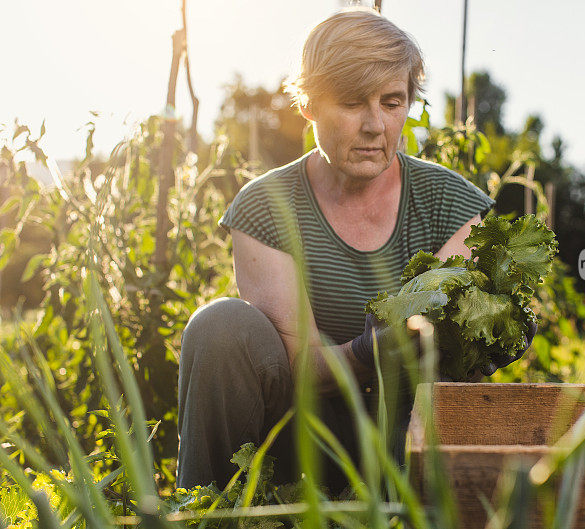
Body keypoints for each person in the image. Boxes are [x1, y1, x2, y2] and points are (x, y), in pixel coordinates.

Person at [176, 7, 526, 491]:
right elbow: (300, 367)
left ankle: (421, 511)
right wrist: (369, 350)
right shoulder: (266, 206)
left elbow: (446, 353)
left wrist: (483, 339)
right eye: (351, 103)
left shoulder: (453, 205)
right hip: (297, 437)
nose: (375, 125)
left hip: (403, 431)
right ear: (308, 105)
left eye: (391, 102)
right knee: (219, 327)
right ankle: (210, 508)